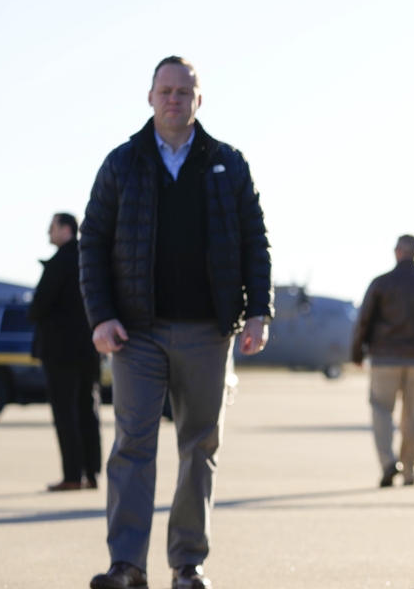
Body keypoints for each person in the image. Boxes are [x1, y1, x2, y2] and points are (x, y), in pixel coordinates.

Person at [79, 56, 272, 589]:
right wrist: (101, 316)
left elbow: (255, 241)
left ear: (198, 99)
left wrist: (259, 310)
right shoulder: (122, 163)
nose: (173, 99)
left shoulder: (228, 164)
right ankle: (127, 565)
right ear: (150, 97)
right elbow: (92, 242)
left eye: (184, 92)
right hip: (135, 333)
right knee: (132, 446)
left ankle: (187, 564)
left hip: (208, 332)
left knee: (199, 447)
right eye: (165, 90)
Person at [351, 234, 414, 488]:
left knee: (381, 409)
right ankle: (409, 469)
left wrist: (357, 353)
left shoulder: (381, 283)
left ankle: (388, 463)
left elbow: (364, 321)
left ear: (398, 252)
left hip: (385, 358)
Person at [27, 212, 101, 492]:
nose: (48, 233)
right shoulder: (91, 259)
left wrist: (34, 312)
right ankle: (92, 473)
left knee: (65, 411)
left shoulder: (59, 263)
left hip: (61, 352)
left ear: (66, 230)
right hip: (90, 348)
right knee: (87, 409)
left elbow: (38, 306)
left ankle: (72, 475)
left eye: (52, 228)